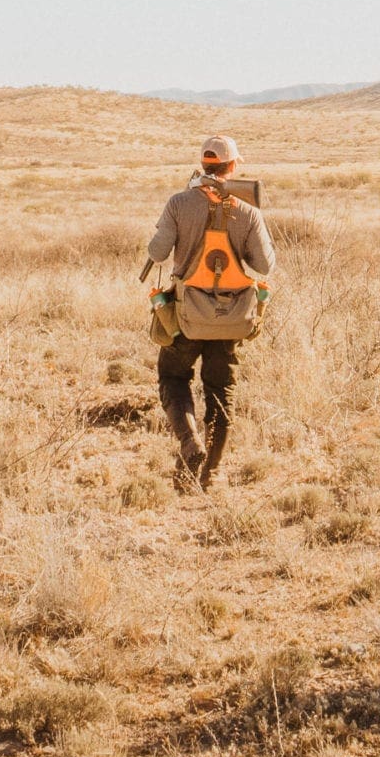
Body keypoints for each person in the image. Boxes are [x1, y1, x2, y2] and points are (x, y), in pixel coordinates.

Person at [144, 134, 276, 490]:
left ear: (204, 165)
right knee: (220, 391)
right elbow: (265, 265)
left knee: (173, 378)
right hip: (232, 319)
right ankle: (211, 475)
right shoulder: (247, 210)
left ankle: (190, 442)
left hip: (185, 317)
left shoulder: (179, 202)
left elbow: (157, 254)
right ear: (233, 167)